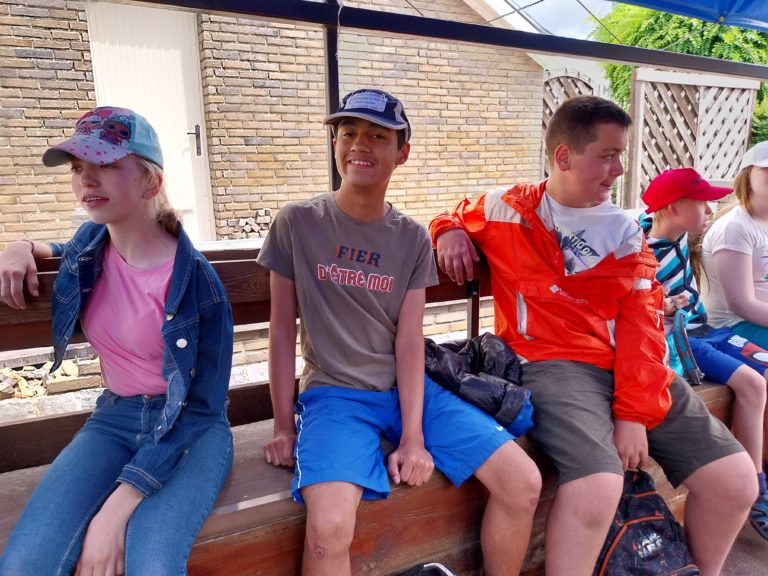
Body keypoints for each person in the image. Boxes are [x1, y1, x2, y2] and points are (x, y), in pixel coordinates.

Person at [430, 95, 757, 576]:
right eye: (608, 155)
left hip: (629, 365)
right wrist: (447, 231)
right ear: (564, 157)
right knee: (598, 484)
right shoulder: (507, 208)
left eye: (620, 155)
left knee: (736, 480)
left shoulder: (624, 230)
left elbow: (642, 326)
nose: (619, 170)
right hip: (548, 363)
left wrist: (632, 414)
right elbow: (457, 213)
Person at [257, 88, 541, 576]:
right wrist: (283, 425)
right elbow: (281, 330)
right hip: (334, 396)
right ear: (334, 144)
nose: (359, 144)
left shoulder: (410, 237)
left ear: (401, 153)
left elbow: (409, 340)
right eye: (348, 132)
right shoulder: (297, 223)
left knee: (523, 481)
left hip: (406, 390)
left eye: (377, 136)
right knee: (327, 531)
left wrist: (413, 437)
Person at [0, 107, 234, 575]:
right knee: (25, 564)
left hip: (190, 428)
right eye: (77, 167)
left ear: (151, 182)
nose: (86, 179)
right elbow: (66, 250)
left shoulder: (197, 284)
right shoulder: (90, 245)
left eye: (105, 165)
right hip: (115, 418)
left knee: (152, 564)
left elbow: (203, 407)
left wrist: (115, 510)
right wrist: (22, 246)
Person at [639, 167, 768, 540]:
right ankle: (756, 489)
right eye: (703, 204)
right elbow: (633, 305)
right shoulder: (641, 251)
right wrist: (661, 305)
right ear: (674, 209)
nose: (711, 211)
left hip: (709, 330)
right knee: (752, 384)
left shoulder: (679, 234)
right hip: (683, 340)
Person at [699, 141, 768, 539]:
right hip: (733, 328)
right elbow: (743, 303)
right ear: (747, 175)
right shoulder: (735, 227)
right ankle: (756, 485)